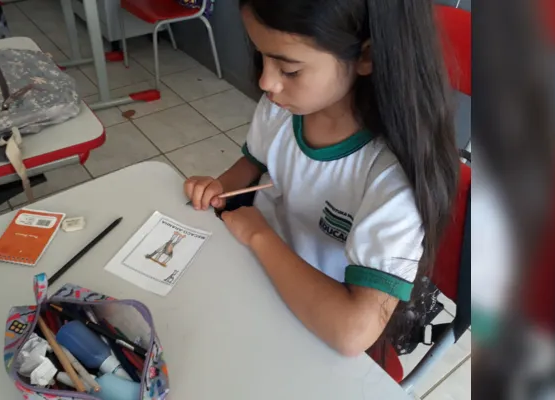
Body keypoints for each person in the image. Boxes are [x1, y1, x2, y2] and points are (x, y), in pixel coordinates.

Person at [184, 0, 460, 358]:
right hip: (253, 278)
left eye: (289, 69)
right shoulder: (282, 108)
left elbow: (351, 332)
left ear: (366, 57)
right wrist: (220, 188)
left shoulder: (392, 178)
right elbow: (250, 165)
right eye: (262, 56)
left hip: (315, 321)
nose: (266, 82)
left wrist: (259, 235)